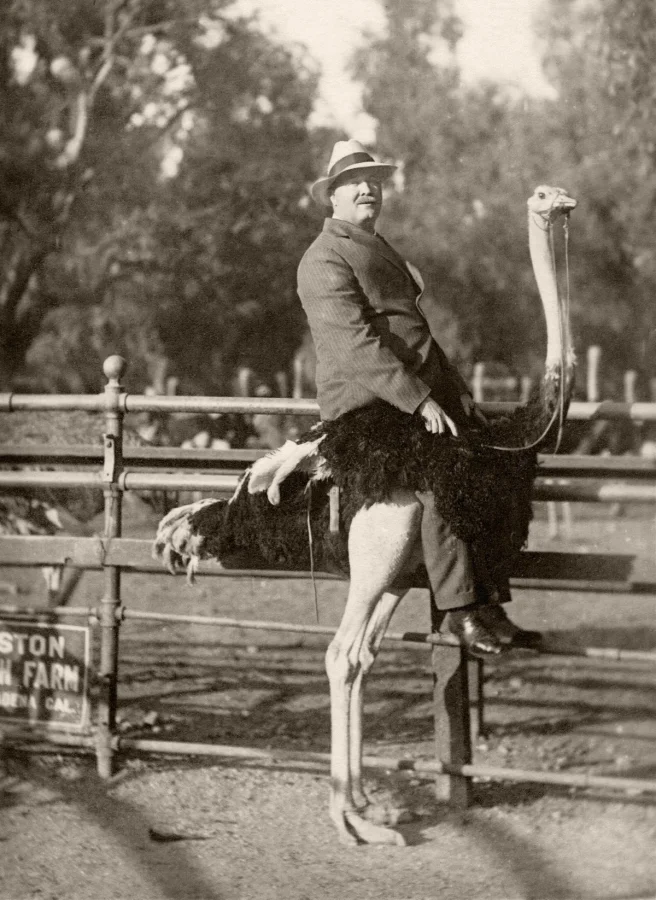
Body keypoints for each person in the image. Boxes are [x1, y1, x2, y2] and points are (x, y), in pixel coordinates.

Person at [297, 139, 542, 657]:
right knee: (445, 467)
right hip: (364, 408)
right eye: (354, 183)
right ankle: (458, 610)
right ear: (332, 196)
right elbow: (354, 345)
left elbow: (419, 338)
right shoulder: (322, 259)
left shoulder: (379, 249)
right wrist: (419, 401)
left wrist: (459, 396)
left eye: (374, 181)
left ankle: (488, 603)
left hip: (409, 402)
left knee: (496, 459)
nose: (368, 189)